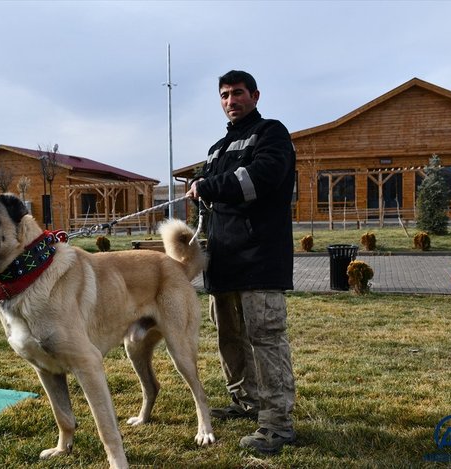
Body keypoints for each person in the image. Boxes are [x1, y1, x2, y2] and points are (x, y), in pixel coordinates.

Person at [186, 70, 296, 454]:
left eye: (237, 93)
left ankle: (277, 423)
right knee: (228, 338)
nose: (231, 100)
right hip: (224, 261)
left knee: (265, 339)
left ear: (255, 95)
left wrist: (210, 186)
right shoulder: (218, 148)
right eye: (224, 95)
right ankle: (246, 401)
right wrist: (201, 188)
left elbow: (259, 179)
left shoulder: (272, 134)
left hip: (261, 259)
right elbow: (206, 182)